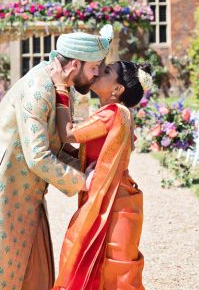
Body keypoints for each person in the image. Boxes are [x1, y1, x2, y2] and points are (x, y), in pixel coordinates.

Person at [0, 25, 115, 290]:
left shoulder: (58, 85)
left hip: (27, 199)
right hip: (4, 198)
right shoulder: (38, 88)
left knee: (37, 280)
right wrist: (85, 181)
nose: (95, 76)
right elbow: (39, 157)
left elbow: (55, 147)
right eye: (93, 68)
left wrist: (94, 165)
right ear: (75, 64)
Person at [47, 58, 153, 290]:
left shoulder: (112, 113)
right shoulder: (118, 113)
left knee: (114, 273)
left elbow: (69, 133)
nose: (97, 73)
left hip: (114, 204)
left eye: (106, 71)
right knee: (111, 272)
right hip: (120, 199)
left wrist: (60, 87)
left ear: (117, 89)